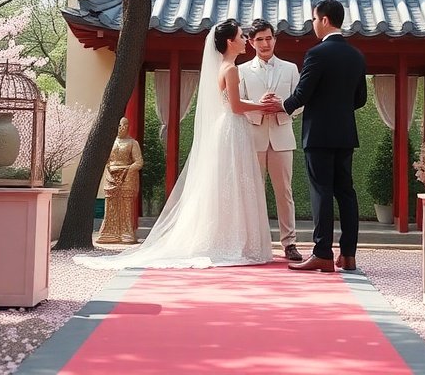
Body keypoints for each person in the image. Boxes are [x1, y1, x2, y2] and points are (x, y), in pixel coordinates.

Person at [76, 19, 275, 270]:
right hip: (233, 127)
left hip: (226, 128)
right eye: (241, 36)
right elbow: (236, 106)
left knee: (225, 184)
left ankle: (224, 238)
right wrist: (263, 105)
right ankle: (234, 241)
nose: (246, 40)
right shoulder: (231, 69)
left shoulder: (222, 67)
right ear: (229, 42)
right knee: (233, 182)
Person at [266, 0, 367, 273]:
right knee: (346, 192)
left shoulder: (316, 54)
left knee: (321, 191)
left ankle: (322, 253)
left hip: (319, 134)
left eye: (313, 19)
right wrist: (339, 108)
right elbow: (360, 99)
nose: (312, 25)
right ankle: (348, 255)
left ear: (324, 20)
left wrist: (282, 106)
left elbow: (302, 94)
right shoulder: (357, 56)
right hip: (346, 134)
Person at [238, 19, 303, 261]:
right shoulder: (241, 70)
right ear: (251, 42)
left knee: (284, 192)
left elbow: (300, 102)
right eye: (259, 39)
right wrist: (259, 108)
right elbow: (238, 104)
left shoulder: (291, 68)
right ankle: (254, 243)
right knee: (253, 192)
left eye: (269, 38)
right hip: (253, 136)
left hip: (282, 136)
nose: (265, 43)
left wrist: (281, 107)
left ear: (275, 39)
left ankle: (289, 243)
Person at [96, 117, 143, 245]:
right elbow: (104, 160)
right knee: (111, 205)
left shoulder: (133, 143)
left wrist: (127, 171)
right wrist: (110, 168)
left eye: (124, 125)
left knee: (126, 206)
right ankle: (109, 233)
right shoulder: (109, 142)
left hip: (126, 177)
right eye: (119, 126)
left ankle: (126, 233)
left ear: (127, 126)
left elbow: (139, 162)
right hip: (111, 176)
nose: (121, 128)